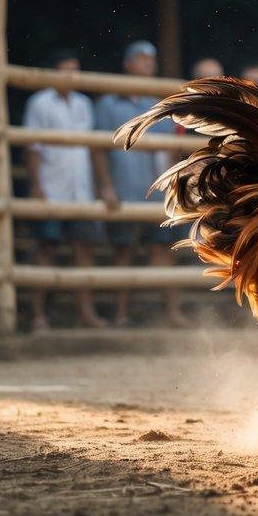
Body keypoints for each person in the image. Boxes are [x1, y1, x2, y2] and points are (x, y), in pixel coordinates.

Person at [93, 41, 187, 329]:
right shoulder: (108, 104)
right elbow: (97, 148)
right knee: (123, 251)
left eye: (151, 59)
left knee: (165, 249)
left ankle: (170, 313)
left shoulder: (158, 104)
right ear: (127, 63)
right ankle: (121, 314)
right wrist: (106, 186)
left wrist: (172, 186)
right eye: (141, 58)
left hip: (155, 191)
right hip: (123, 189)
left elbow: (169, 150)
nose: (147, 63)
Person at [23, 49, 108, 332]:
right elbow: (33, 148)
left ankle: (85, 312)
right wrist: (37, 185)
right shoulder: (39, 102)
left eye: (75, 69)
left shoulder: (84, 103)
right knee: (45, 248)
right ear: (54, 71)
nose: (72, 75)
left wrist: (100, 186)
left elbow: (93, 147)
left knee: (84, 249)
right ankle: (38, 315)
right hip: (51, 186)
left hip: (80, 188)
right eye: (66, 69)